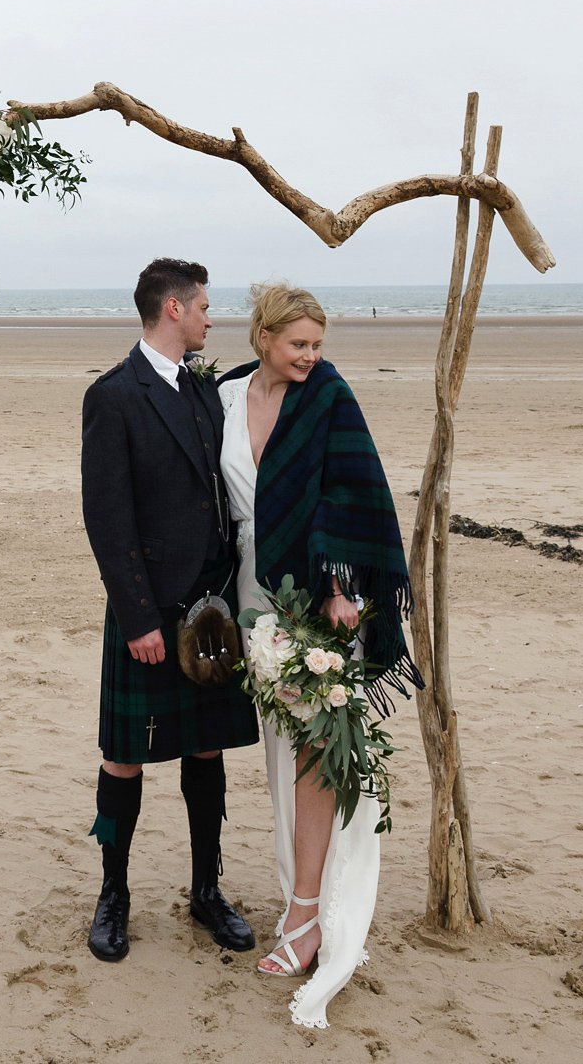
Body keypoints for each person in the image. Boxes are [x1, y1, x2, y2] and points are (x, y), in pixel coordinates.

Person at [217, 282, 418, 1029]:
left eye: (317, 344)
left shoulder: (329, 397)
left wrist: (340, 585)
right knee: (282, 754)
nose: (310, 356)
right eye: (298, 344)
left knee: (315, 750)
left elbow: (353, 493)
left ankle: (309, 917)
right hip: (252, 594)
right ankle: (300, 891)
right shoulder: (227, 397)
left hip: (323, 600)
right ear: (264, 337)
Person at [80, 258, 259, 964]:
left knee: (206, 749)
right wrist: (139, 619)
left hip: (211, 609)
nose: (213, 319)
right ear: (174, 310)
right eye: (206, 307)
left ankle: (206, 892)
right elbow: (107, 519)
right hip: (152, 611)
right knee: (125, 756)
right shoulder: (114, 396)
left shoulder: (204, 390)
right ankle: (113, 894)